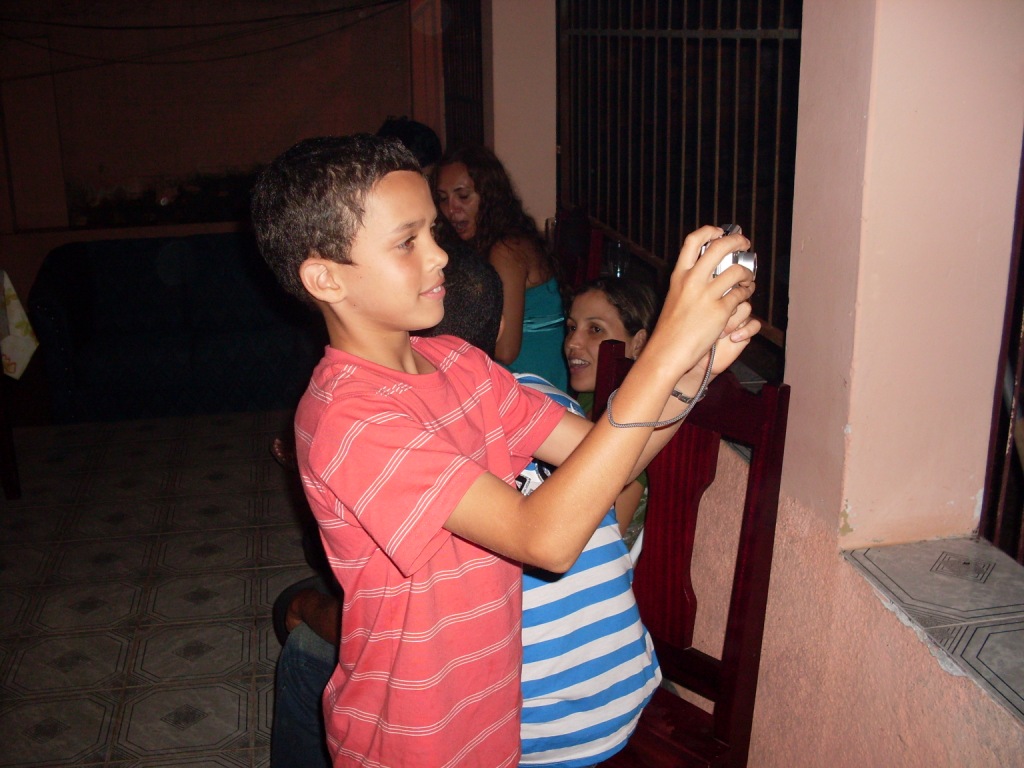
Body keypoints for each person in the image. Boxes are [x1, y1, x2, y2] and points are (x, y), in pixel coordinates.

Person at [250, 132, 759, 766]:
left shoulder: (459, 364)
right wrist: (663, 351)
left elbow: (614, 458)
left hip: (494, 722)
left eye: (434, 231)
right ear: (325, 278)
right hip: (414, 740)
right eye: (407, 242)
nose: (440, 254)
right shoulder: (347, 419)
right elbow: (542, 538)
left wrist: (692, 371)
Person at [271, 243, 661, 767]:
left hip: (515, 719)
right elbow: (621, 460)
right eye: (408, 240)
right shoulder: (531, 395)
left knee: (304, 635)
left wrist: (677, 353)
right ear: (499, 329)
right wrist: (683, 363)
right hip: (615, 692)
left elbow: (541, 540)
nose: (433, 253)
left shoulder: (427, 391)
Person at [432, 144, 569, 390]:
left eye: (463, 196)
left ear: (489, 196)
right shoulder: (477, 243)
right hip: (509, 373)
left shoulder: (506, 250)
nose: (451, 209)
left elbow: (506, 351)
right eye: (443, 199)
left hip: (533, 383)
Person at [564, 277, 661, 552]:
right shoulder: (590, 397)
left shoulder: (637, 419)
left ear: (639, 343)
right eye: (571, 327)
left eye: (595, 329)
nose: (573, 342)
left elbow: (603, 532)